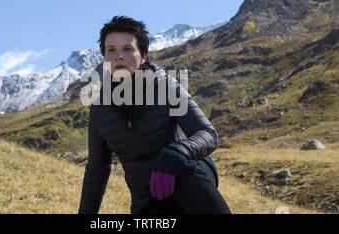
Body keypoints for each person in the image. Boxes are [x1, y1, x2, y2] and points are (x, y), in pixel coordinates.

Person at [78, 16, 231, 214]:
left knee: (188, 177)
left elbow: (208, 134)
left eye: (127, 49)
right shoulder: (100, 109)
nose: (119, 56)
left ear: (143, 56)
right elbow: (96, 171)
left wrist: (176, 153)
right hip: (147, 198)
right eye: (111, 50)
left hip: (188, 174)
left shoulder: (166, 87)